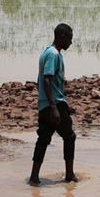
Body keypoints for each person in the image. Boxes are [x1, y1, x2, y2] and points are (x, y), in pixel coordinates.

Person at [29, 23, 77, 184]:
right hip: (53, 104)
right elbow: (47, 78)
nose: (71, 42)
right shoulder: (53, 54)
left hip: (45, 104)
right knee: (69, 137)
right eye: (69, 38)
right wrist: (54, 107)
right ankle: (69, 175)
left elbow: (45, 81)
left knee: (43, 139)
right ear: (62, 36)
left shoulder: (48, 52)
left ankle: (34, 177)